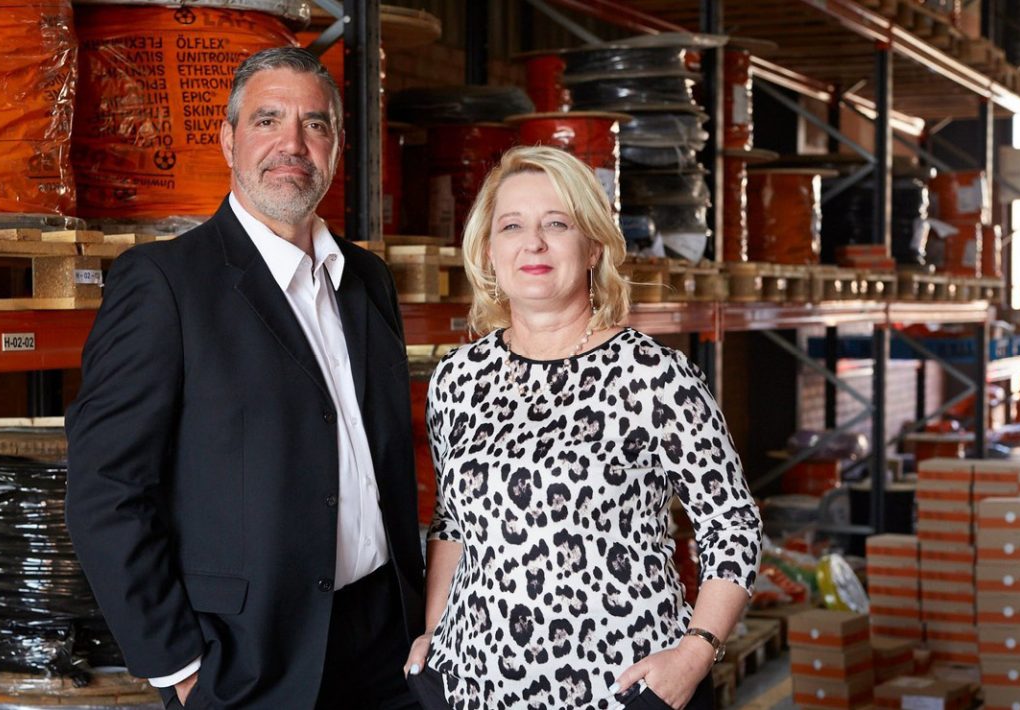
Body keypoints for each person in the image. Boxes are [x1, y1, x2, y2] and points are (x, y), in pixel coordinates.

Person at [65, 47, 424, 710]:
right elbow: (104, 490)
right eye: (268, 121)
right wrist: (179, 664)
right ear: (229, 140)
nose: (293, 143)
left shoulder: (366, 280)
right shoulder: (166, 286)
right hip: (250, 658)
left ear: (337, 147)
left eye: (315, 125)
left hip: (384, 640)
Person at [404, 146, 762, 710]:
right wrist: (435, 633)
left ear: (594, 245)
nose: (534, 243)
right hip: (477, 685)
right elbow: (452, 523)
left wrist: (694, 655)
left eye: (557, 223)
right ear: (489, 251)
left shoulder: (652, 375)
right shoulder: (458, 378)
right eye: (512, 225)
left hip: (621, 687)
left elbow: (733, 527)